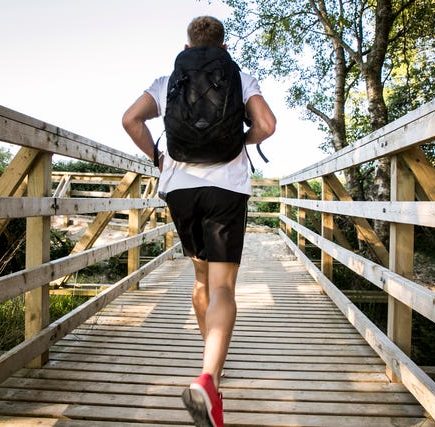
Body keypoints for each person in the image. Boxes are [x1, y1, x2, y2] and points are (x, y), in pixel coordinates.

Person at [122, 16, 276, 427]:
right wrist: (240, 144)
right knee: (225, 286)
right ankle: (209, 377)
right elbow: (267, 126)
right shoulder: (239, 77)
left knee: (202, 280)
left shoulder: (167, 79)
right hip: (226, 187)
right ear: (222, 47)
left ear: (187, 46)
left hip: (180, 189)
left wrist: (158, 158)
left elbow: (130, 120)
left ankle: (208, 364)